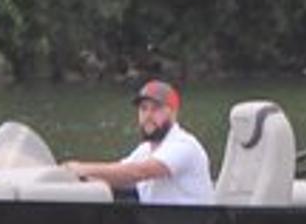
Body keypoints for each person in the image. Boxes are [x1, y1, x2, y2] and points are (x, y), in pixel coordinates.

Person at [64, 79, 214, 205]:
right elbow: (119, 173)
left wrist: (80, 168)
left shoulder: (183, 145)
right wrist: (70, 177)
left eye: (156, 109)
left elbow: (137, 172)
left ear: (173, 113)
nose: (148, 116)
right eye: (143, 109)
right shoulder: (145, 150)